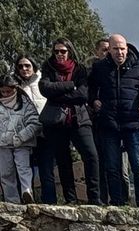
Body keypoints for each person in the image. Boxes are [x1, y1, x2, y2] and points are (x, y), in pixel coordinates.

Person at [87, 34, 139, 207]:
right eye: (116, 48)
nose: (120, 52)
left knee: (138, 166)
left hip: (132, 124)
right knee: (112, 167)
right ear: (109, 50)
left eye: (122, 48)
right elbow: (89, 89)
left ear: (127, 48)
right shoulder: (99, 68)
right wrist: (93, 100)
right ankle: (117, 203)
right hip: (108, 124)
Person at [39, 39, 100, 204]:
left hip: (79, 118)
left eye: (63, 51)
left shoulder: (79, 69)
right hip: (56, 121)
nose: (59, 54)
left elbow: (83, 94)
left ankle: (94, 198)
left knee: (91, 155)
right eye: (56, 51)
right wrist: (71, 85)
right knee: (63, 159)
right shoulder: (48, 67)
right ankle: (70, 199)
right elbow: (44, 88)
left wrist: (58, 93)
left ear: (69, 51)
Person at [0, 72, 40, 203]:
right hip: (2, 144)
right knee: (5, 174)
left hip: (22, 143)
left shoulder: (25, 103)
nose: (5, 94)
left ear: (15, 89)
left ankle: (27, 192)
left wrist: (22, 136)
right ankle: (12, 202)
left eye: (8, 91)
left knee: (24, 169)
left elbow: (35, 122)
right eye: (3, 91)